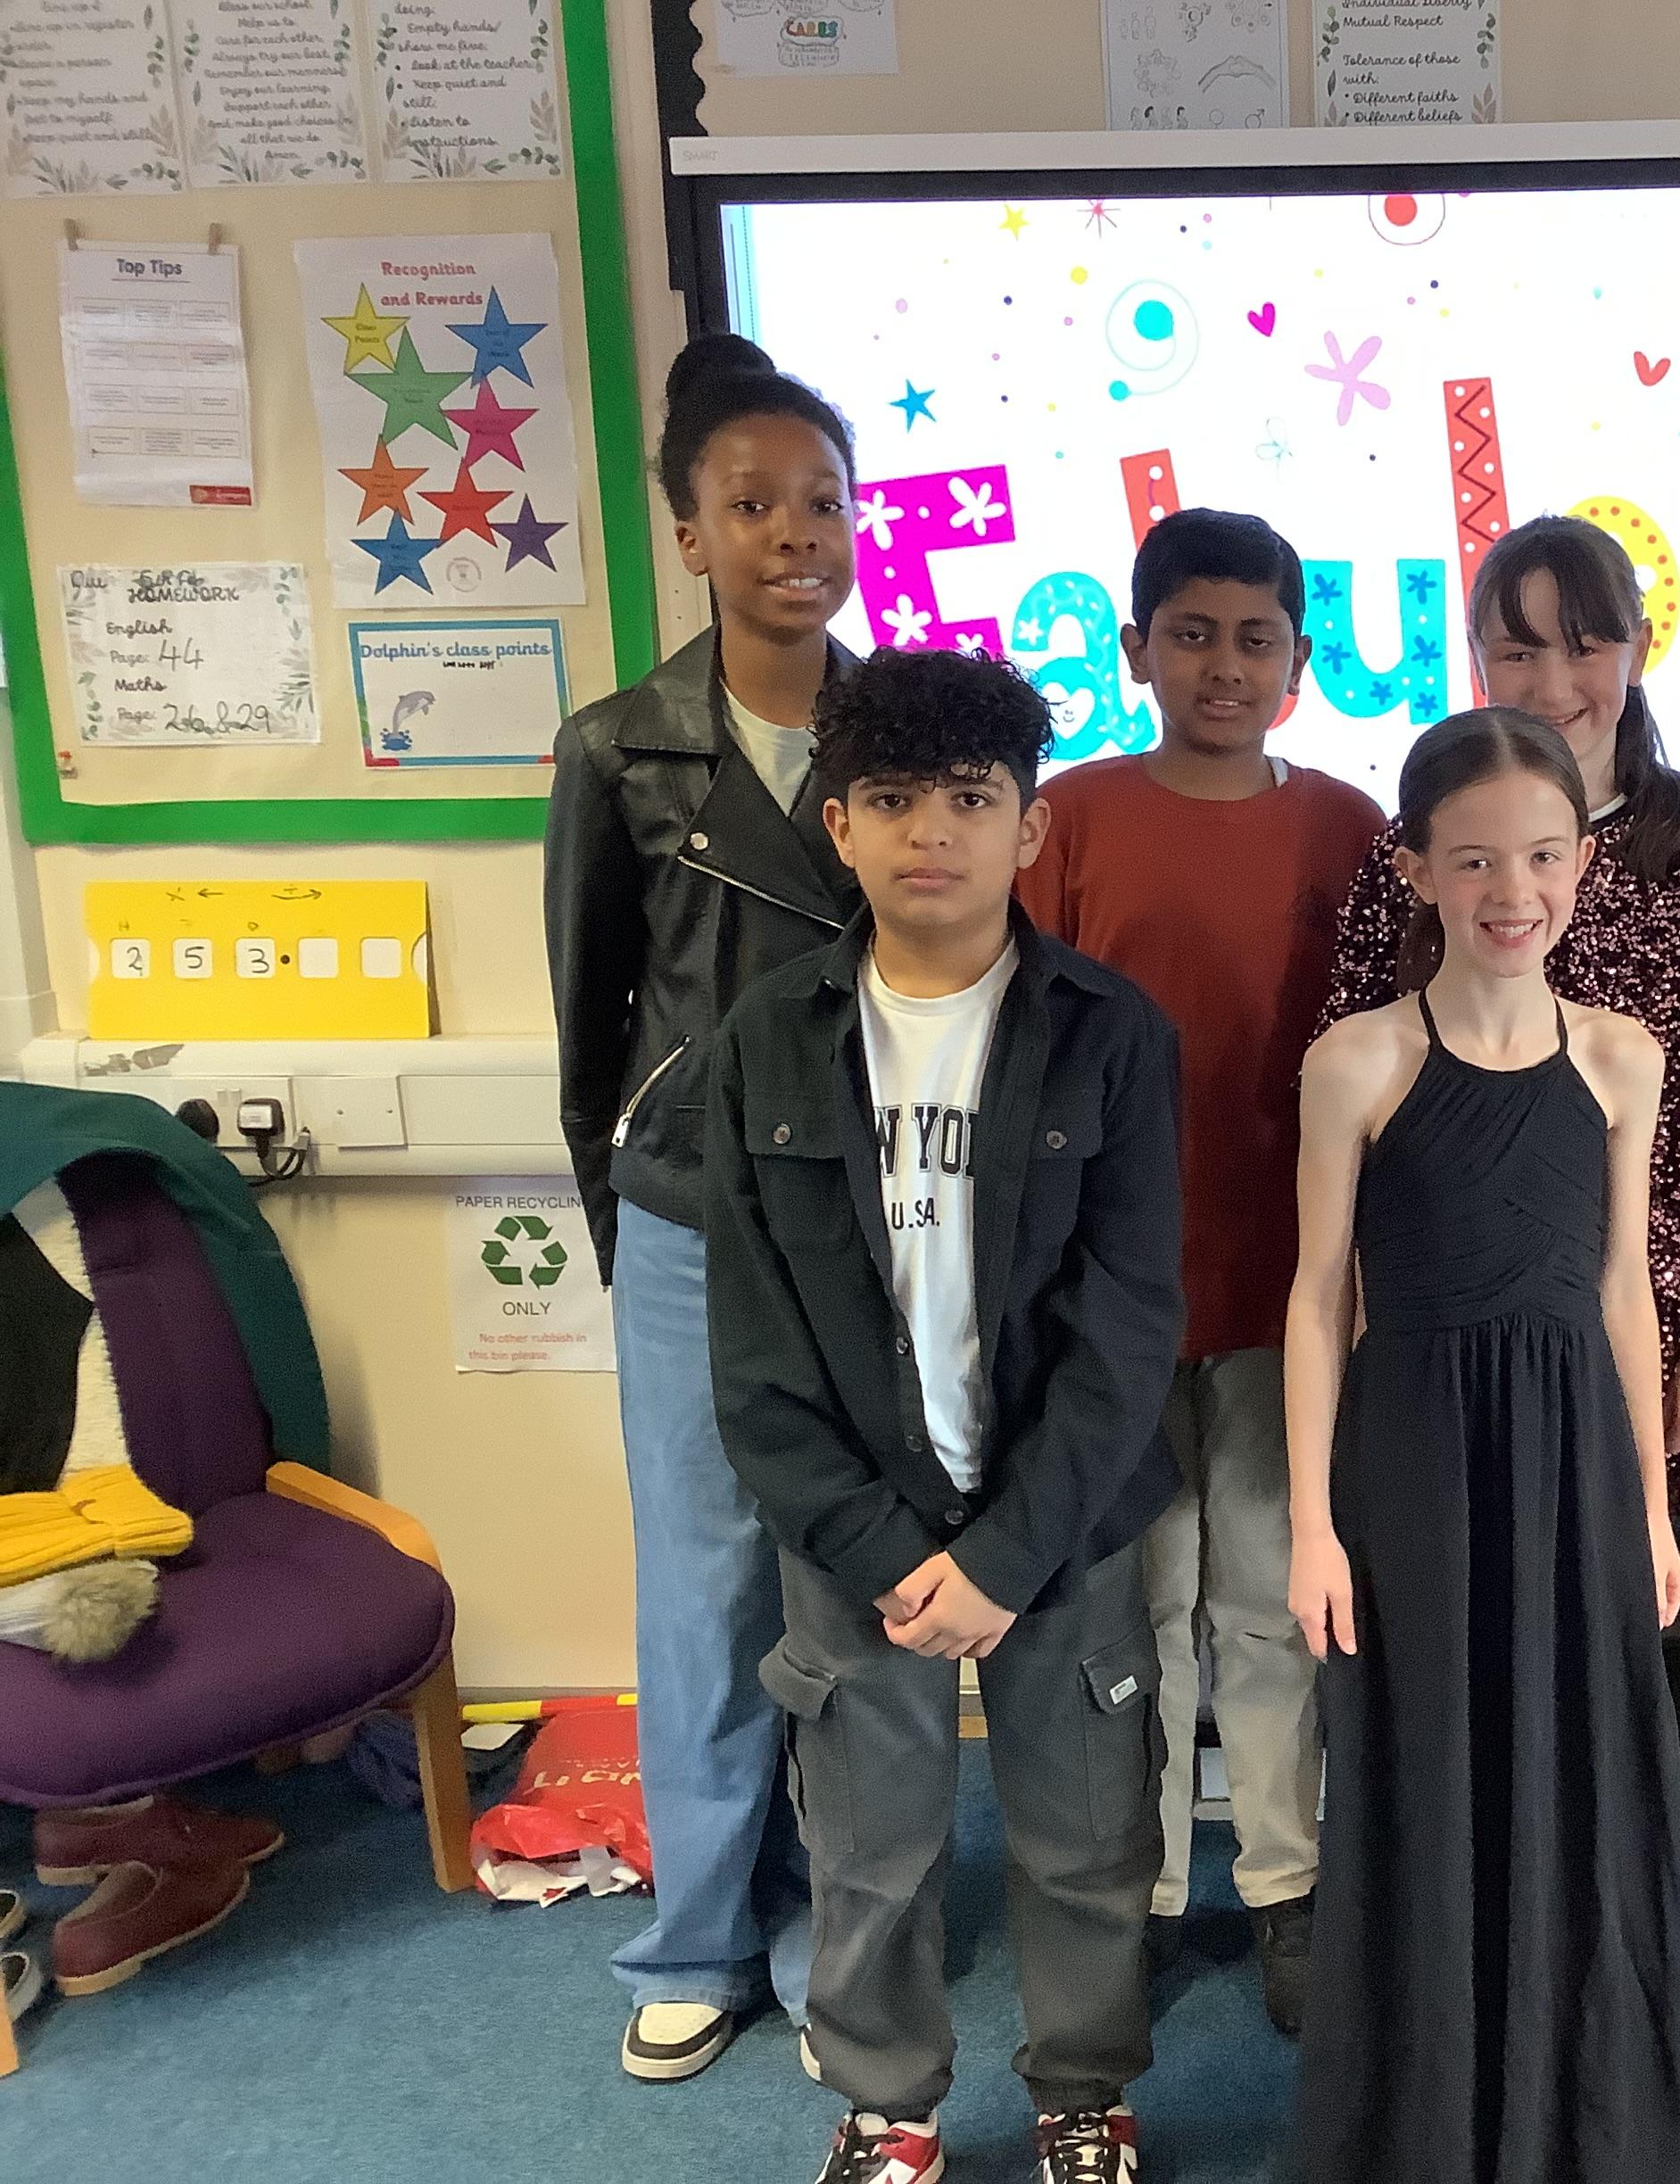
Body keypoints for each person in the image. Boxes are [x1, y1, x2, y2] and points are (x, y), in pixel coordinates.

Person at [703, 648, 1187, 2184]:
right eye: (895, 797)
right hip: (858, 1533)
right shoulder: (764, 1042)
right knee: (870, 1846)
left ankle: (1084, 2093)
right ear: (837, 821)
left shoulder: (1112, 1033)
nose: (933, 831)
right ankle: (886, 2105)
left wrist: (1008, 1552)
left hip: (1063, 1521)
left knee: (1087, 1835)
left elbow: (1130, 1325)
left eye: (972, 798)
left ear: (1028, 828)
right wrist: (882, 1546)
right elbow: (755, 1355)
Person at [1287, 711, 1680, 2183]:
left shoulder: (1621, 1056)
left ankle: (1576, 2122)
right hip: (1409, 1458)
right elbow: (1316, 1296)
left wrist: (1650, 1511)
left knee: (1584, 1775)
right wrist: (1311, 1525)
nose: (1510, 890)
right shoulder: (1355, 1060)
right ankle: (1424, 2131)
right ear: (1415, 868)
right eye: (1471, 860)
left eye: (1540, 856)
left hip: (1576, 1457)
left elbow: (1621, 1290)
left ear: (1582, 862)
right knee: (1426, 1773)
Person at [1016, 507, 1384, 2032]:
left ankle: (1287, 1886)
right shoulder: (1066, 820)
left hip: (1289, 1286)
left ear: (1298, 661)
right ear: (1134, 650)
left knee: (1272, 1594)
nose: (1223, 666)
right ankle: (1150, 1888)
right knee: (1143, 1601)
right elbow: (1020, 1044)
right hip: (1110, 1294)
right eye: (1190, 634)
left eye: (1254, 639)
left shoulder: (1349, 827)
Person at [543, 331, 862, 2083]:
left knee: (843, 1574)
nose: (793, 532)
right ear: (688, 532)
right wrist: (624, 1240)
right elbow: (589, 1027)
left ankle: (834, 1932)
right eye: (752, 504)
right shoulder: (621, 749)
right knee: (702, 1585)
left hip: (871, 1220)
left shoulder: (903, 730)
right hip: (684, 1217)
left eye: (821, 499)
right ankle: (698, 1934)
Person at [1319, 516, 1680, 1518]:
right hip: (1441, 1345)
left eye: (1585, 646)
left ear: (1639, 647)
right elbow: (1359, 1138)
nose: (1552, 683)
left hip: (1645, 1330)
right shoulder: (1410, 856)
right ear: (1476, 658)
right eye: (1518, 651)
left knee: (1615, 1588)